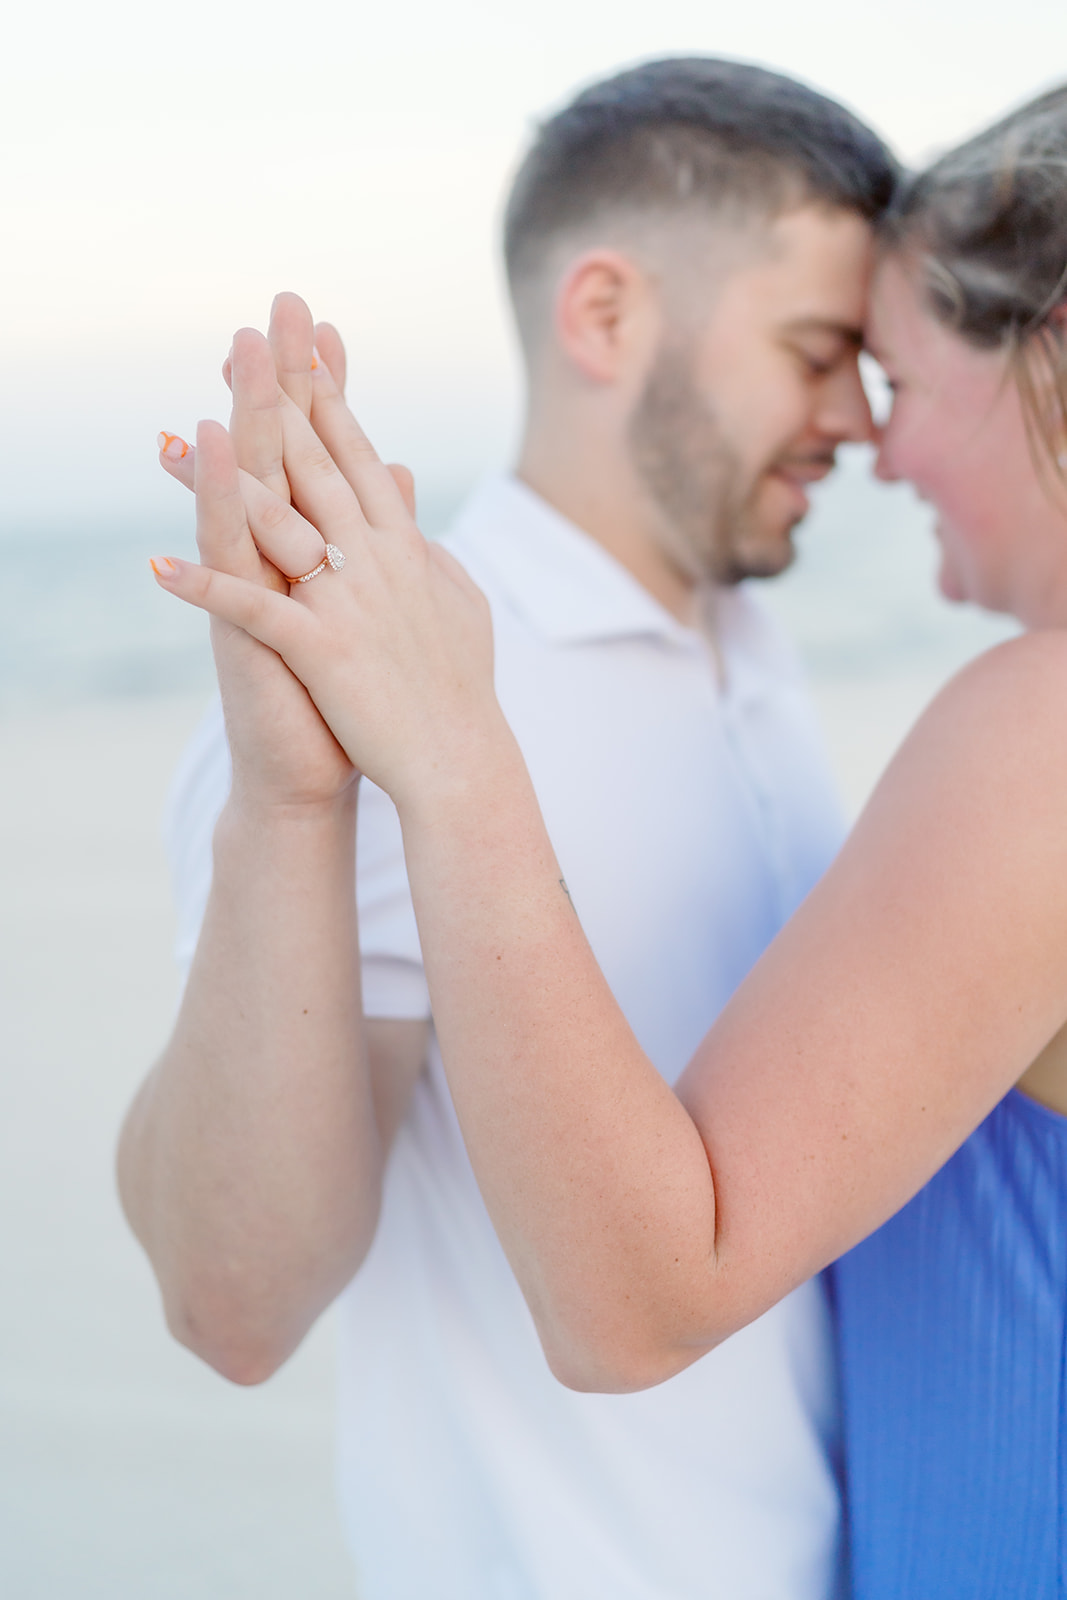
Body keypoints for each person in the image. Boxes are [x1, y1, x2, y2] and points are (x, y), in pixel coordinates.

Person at [146, 82, 1067, 1596]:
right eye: (819, 354)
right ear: (606, 315)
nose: (857, 424)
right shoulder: (384, 690)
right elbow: (233, 1297)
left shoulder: (756, 655)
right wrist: (290, 798)